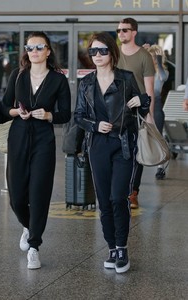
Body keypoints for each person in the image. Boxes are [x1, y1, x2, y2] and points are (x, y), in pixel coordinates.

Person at [74, 32, 150, 273]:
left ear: (112, 53)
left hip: (123, 144)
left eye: (102, 51)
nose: (97, 56)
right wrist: (94, 125)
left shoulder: (126, 79)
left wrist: (141, 100)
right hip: (97, 146)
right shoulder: (86, 83)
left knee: (119, 198)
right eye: (93, 52)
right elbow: (78, 116)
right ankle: (111, 248)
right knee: (104, 201)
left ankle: (122, 247)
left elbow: (143, 103)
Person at [2, 31, 71, 269]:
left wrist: (49, 114)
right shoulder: (18, 75)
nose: (34, 52)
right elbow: (5, 106)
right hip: (19, 136)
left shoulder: (58, 79)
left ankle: (34, 246)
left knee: (39, 194)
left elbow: (65, 114)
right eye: (30, 48)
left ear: (48, 51)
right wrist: (16, 112)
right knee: (17, 196)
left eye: (39, 47)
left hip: (43, 138)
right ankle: (27, 226)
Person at [117, 17, 155, 209]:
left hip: (136, 113)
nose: (121, 33)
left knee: (135, 153)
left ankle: (133, 192)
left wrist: (150, 117)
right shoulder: (113, 54)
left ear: (134, 32)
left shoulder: (144, 56)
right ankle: (118, 190)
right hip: (114, 111)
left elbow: (149, 91)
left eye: (125, 30)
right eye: (119, 30)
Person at [146, 45, 169, 179]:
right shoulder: (144, 70)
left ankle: (160, 167)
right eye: (151, 57)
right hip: (144, 105)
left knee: (158, 137)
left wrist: (159, 61)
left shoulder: (162, 71)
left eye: (155, 57)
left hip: (157, 105)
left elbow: (163, 77)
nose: (153, 59)